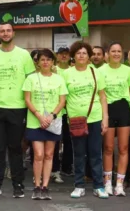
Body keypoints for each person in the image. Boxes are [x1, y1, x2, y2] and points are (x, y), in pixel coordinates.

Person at [0, 22, 36, 198]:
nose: (5, 34)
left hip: (17, 107)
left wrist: (29, 108)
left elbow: (30, 83)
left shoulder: (24, 55)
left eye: (8, 31)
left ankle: (18, 184)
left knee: (15, 148)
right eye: (2, 31)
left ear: (14, 33)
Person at [65, 41, 109, 199]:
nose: (81, 56)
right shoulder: (67, 74)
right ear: (74, 56)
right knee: (78, 154)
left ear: (88, 56)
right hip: (76, 120)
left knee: (96, 153)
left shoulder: (95, 72)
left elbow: (103, 96)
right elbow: (62, 98)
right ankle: (79, 185)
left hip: (95, 117)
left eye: (84, 53)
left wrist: (105, 118)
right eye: (78, 53)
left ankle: (99, 186)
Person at [23, 49, 67, 200]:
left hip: (53, 121)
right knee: (39, 155)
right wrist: (39, 116)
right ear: (38, 62)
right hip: (35, 121)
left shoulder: (59, 79)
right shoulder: (31, 78)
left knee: (49, 155)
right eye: (42, 60)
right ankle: (36, 185)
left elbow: (62, 101)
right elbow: (27, 99)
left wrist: (51, 115)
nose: (46, 62)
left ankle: (45, 186)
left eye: (48, 59)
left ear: (53, 62)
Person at [99, 42, 130, 196]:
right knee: (108, 148)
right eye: (113, 51)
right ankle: (107, 182)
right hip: (108, 110)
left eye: (119, 51)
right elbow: (101, 93)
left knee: (124, 148)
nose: (116, 54)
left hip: (124, 109)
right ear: (108, 53)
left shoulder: (128, 70)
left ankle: (119, 184)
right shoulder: (100, 71)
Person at [53, 46, 73, 181]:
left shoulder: (73, 70)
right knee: (55, 141)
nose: (64, 56)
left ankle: (67, 166)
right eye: (61, 54)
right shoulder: (54, 70)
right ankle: (54, 168)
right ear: (57, 56)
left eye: (66, 54)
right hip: (56, 110)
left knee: (69, 140)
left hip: (70, 110)